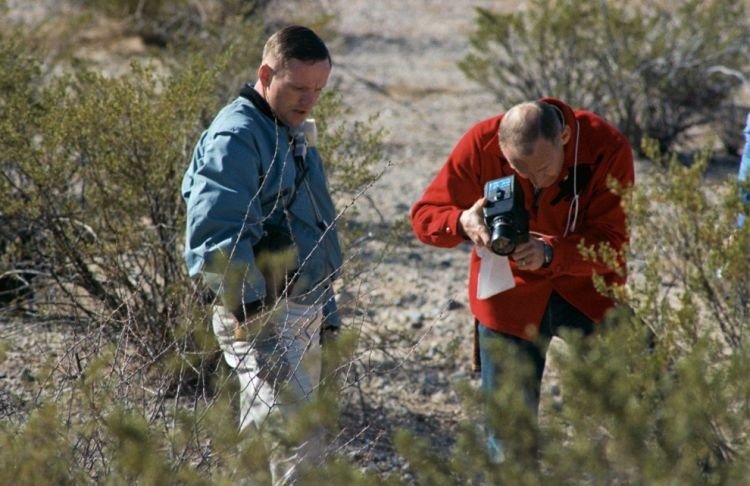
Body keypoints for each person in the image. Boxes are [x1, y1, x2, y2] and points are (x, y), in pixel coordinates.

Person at [410, 99, 635, 462]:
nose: (533, 179)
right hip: (507, 299)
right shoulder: (481, 141)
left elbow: (613, 242)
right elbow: (424, 218)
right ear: (500, 147)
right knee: (509, 443)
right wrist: (461, 223)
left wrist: (550, 253)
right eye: (519, 168)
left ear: (564, 136)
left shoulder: (605, 146)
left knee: (660, 391)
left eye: (544, 168)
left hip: (588, 291)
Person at [181, 25, 342, 484]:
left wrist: (325, 311)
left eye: (318, 89)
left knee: (264, 436)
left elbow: (313, 227)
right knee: (295, 436)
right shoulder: (237, 137)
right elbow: (216, 235)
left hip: (299, 305)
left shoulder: (290, 130)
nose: (308, 100)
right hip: (260, 311)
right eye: (297, 88)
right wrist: (253, 314)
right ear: (266, 74)